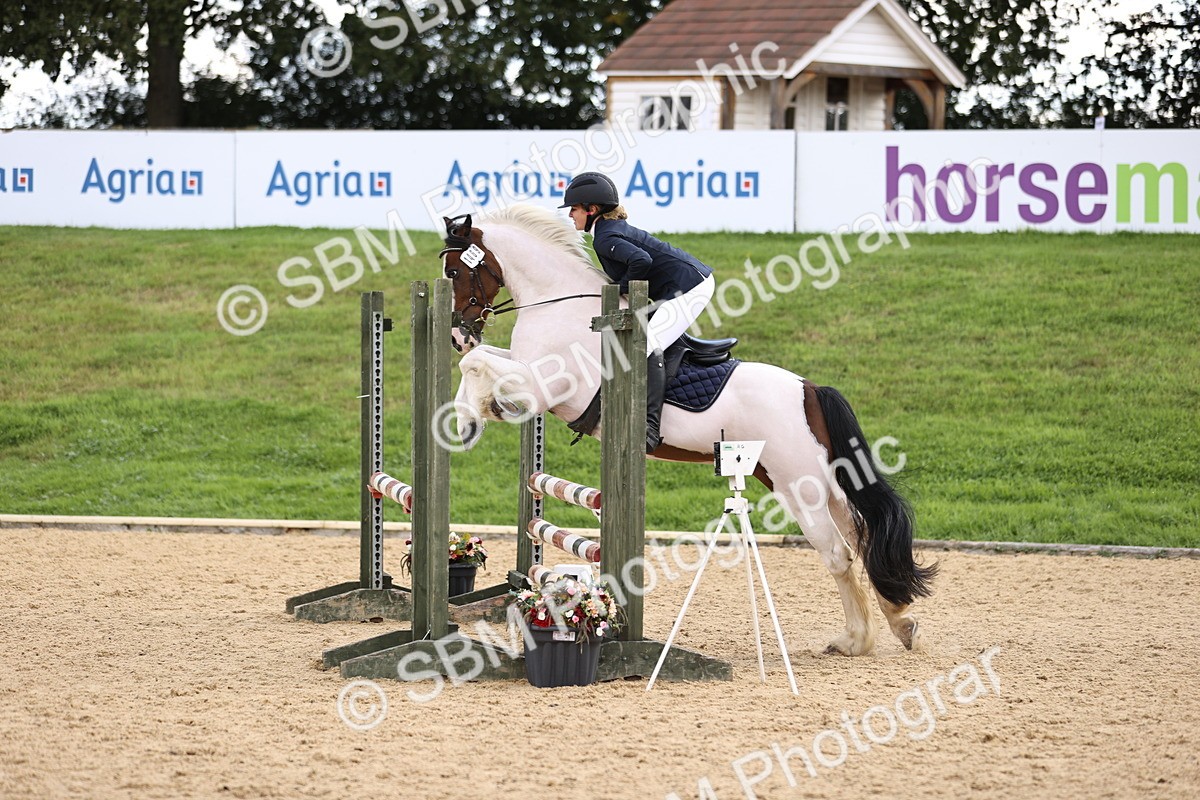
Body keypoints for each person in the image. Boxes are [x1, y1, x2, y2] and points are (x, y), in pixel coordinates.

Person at [560, 172, 716, 453]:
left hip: (690, 287)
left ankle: (649, 428)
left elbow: (640, 260)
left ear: (591, 210)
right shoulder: (606, 231)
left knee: (645, 345)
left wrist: (620, 288)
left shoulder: (604, 236)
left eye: (574, 208)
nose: (570, 215)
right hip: (681, 284)